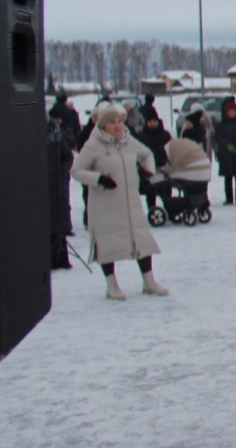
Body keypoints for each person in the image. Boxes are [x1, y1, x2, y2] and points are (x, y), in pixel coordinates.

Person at [71, 104, 168, 301]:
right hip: (105, 204)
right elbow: (76, 171)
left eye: (119, 122)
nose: (117, 126)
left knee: (142, 241)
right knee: (108, 244)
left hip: (131, 203)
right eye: (112, 123)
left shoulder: (128, 141)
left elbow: (147, 154)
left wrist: (147, 171)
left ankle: (149, 282)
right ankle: (111, 285)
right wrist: (99, 179)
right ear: (103, 125)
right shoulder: (93, 145)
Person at [47, 108, 74, 270]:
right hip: (37, 188)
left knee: (59, 222)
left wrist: (62, 171)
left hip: (57, 186)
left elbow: (68, 156)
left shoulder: (55, 134)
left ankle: (60, 257)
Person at [213, 98, 236, 205]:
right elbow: (217, 137)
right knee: (227, 178)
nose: (232, 113)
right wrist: (227, 144)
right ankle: (229, 198)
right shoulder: (221, 125)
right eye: (230, 111)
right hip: (225, 155)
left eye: (234, 111)